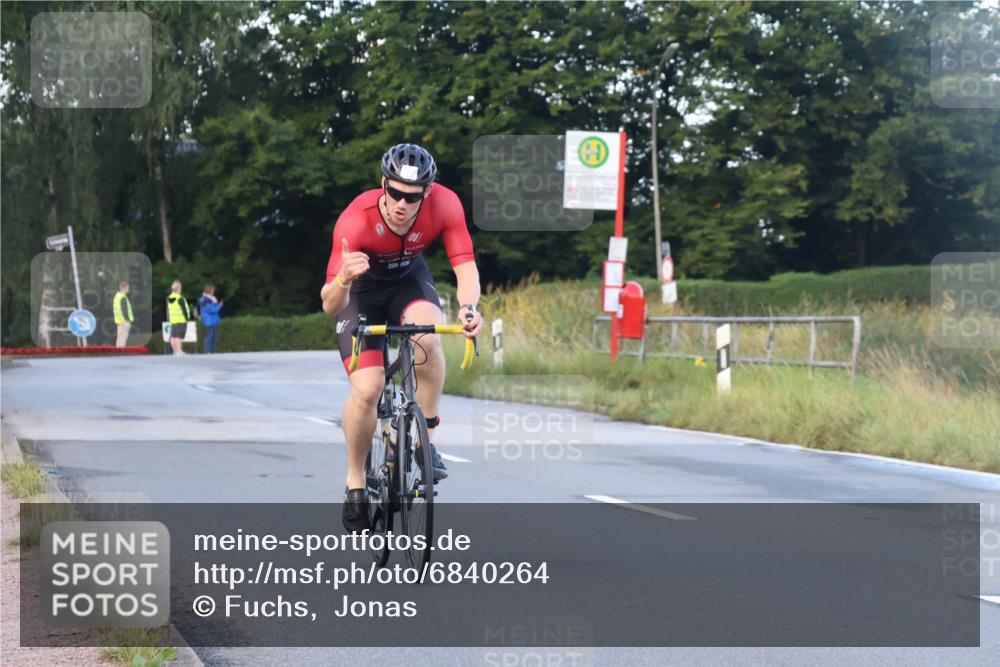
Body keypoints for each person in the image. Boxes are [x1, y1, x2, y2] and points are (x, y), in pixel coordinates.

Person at [320, 143, 483, 532]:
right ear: (383, 184)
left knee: (428, 339)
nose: (401, 204)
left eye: (412, 197)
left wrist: (470, 308)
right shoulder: (355, 220)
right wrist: (343, 278)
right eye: (394, 193)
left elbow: (465, 267)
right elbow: (329, 303)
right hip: (360, 294)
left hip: (408, 282)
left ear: (427, 192)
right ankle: (356, 482)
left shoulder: (445, 205)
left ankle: (422, 441)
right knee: (368, 388)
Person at [166, 280, 192, 356]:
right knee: (179, 336)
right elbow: (184, 309)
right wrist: (187, 317)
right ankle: (179, 351)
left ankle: (175, 351)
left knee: (173, 336)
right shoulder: (180, 298)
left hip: (173, 320)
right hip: (181, 319)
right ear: (179, 288)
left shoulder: (169, 297)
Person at [198, 284, 223, 354]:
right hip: (209, 320)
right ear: (209, 291)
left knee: (213, 337)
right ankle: (207, 351)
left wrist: (217, 305)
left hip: (212, 320)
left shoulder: (210, 299)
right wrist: (219, 305)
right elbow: (212, 310)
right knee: (209, 336)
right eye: (212, 290)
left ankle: (212, 351)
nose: (213, 292)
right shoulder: (206, 300)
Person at [113, 281, 135, 348]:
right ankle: (121, 353)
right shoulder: (123, 297)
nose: (128, 289)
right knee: (123, 338)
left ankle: (118, 352)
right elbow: (124, 310)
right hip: (124, 321)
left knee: (119, 338)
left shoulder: (117, 296)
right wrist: (128, 319)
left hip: (119, 320)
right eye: (128, 287)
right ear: (124, 288)